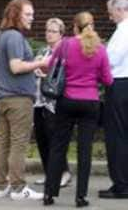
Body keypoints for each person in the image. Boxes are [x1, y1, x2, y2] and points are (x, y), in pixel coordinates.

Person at [43, 12, 113, 207]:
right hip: (90, 103)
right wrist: (93, 77)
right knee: (85, 150)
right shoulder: (99, 48)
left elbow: (51, 67)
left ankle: (49, 194)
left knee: (58, 147)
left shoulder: (65, 44)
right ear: (92, 26)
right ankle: (80, 197)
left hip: (66, 101)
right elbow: (107, 80)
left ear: (75, 27)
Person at [0, 0, 48, 201]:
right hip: (19, 100)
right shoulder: (15, 37)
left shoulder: (2, 36)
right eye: (28, 14)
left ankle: (0, 186)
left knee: (3, 142)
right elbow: (15, 67)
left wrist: (34, 70)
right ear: (16, 14)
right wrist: (40, 62)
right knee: (18, 144)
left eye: (32, 14)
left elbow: (11, 67)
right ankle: (18, 188)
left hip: (3, 98)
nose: (32, 18)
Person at [33, 18, 72, 188]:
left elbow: (65, 74)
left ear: (61, 34)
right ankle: (49, 173)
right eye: (47, 30)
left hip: (55, 102)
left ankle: (63, 172)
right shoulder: (43, 50)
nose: (49, 34)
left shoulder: (65, 51)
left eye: (53, 31)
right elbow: (35, 67)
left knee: (55, 138)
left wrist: (46, 73)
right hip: (39, 100)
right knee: (41, 137)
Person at [100, 0, 128, 199]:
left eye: (111, 13)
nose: (110, 18)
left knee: (116, 135)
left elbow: (112, 59)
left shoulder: (123, 31)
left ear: (120, 10)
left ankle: (121, 184)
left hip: (118, 85)